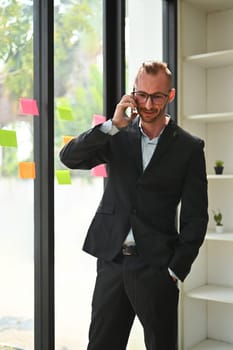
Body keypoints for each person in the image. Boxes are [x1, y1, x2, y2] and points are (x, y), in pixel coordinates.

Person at [60, 60, 208, 350]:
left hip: (157, 267)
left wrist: (176, 269)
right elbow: (69, 158)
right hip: (112, 260)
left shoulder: (189, 148)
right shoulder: (117, 135)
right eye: (141, 95)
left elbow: (196, 216)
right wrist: (112, 125)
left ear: (171, 96)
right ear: (132, 94)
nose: (148, 104)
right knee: (102, 344)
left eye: (157, 97)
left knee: (160, 345)